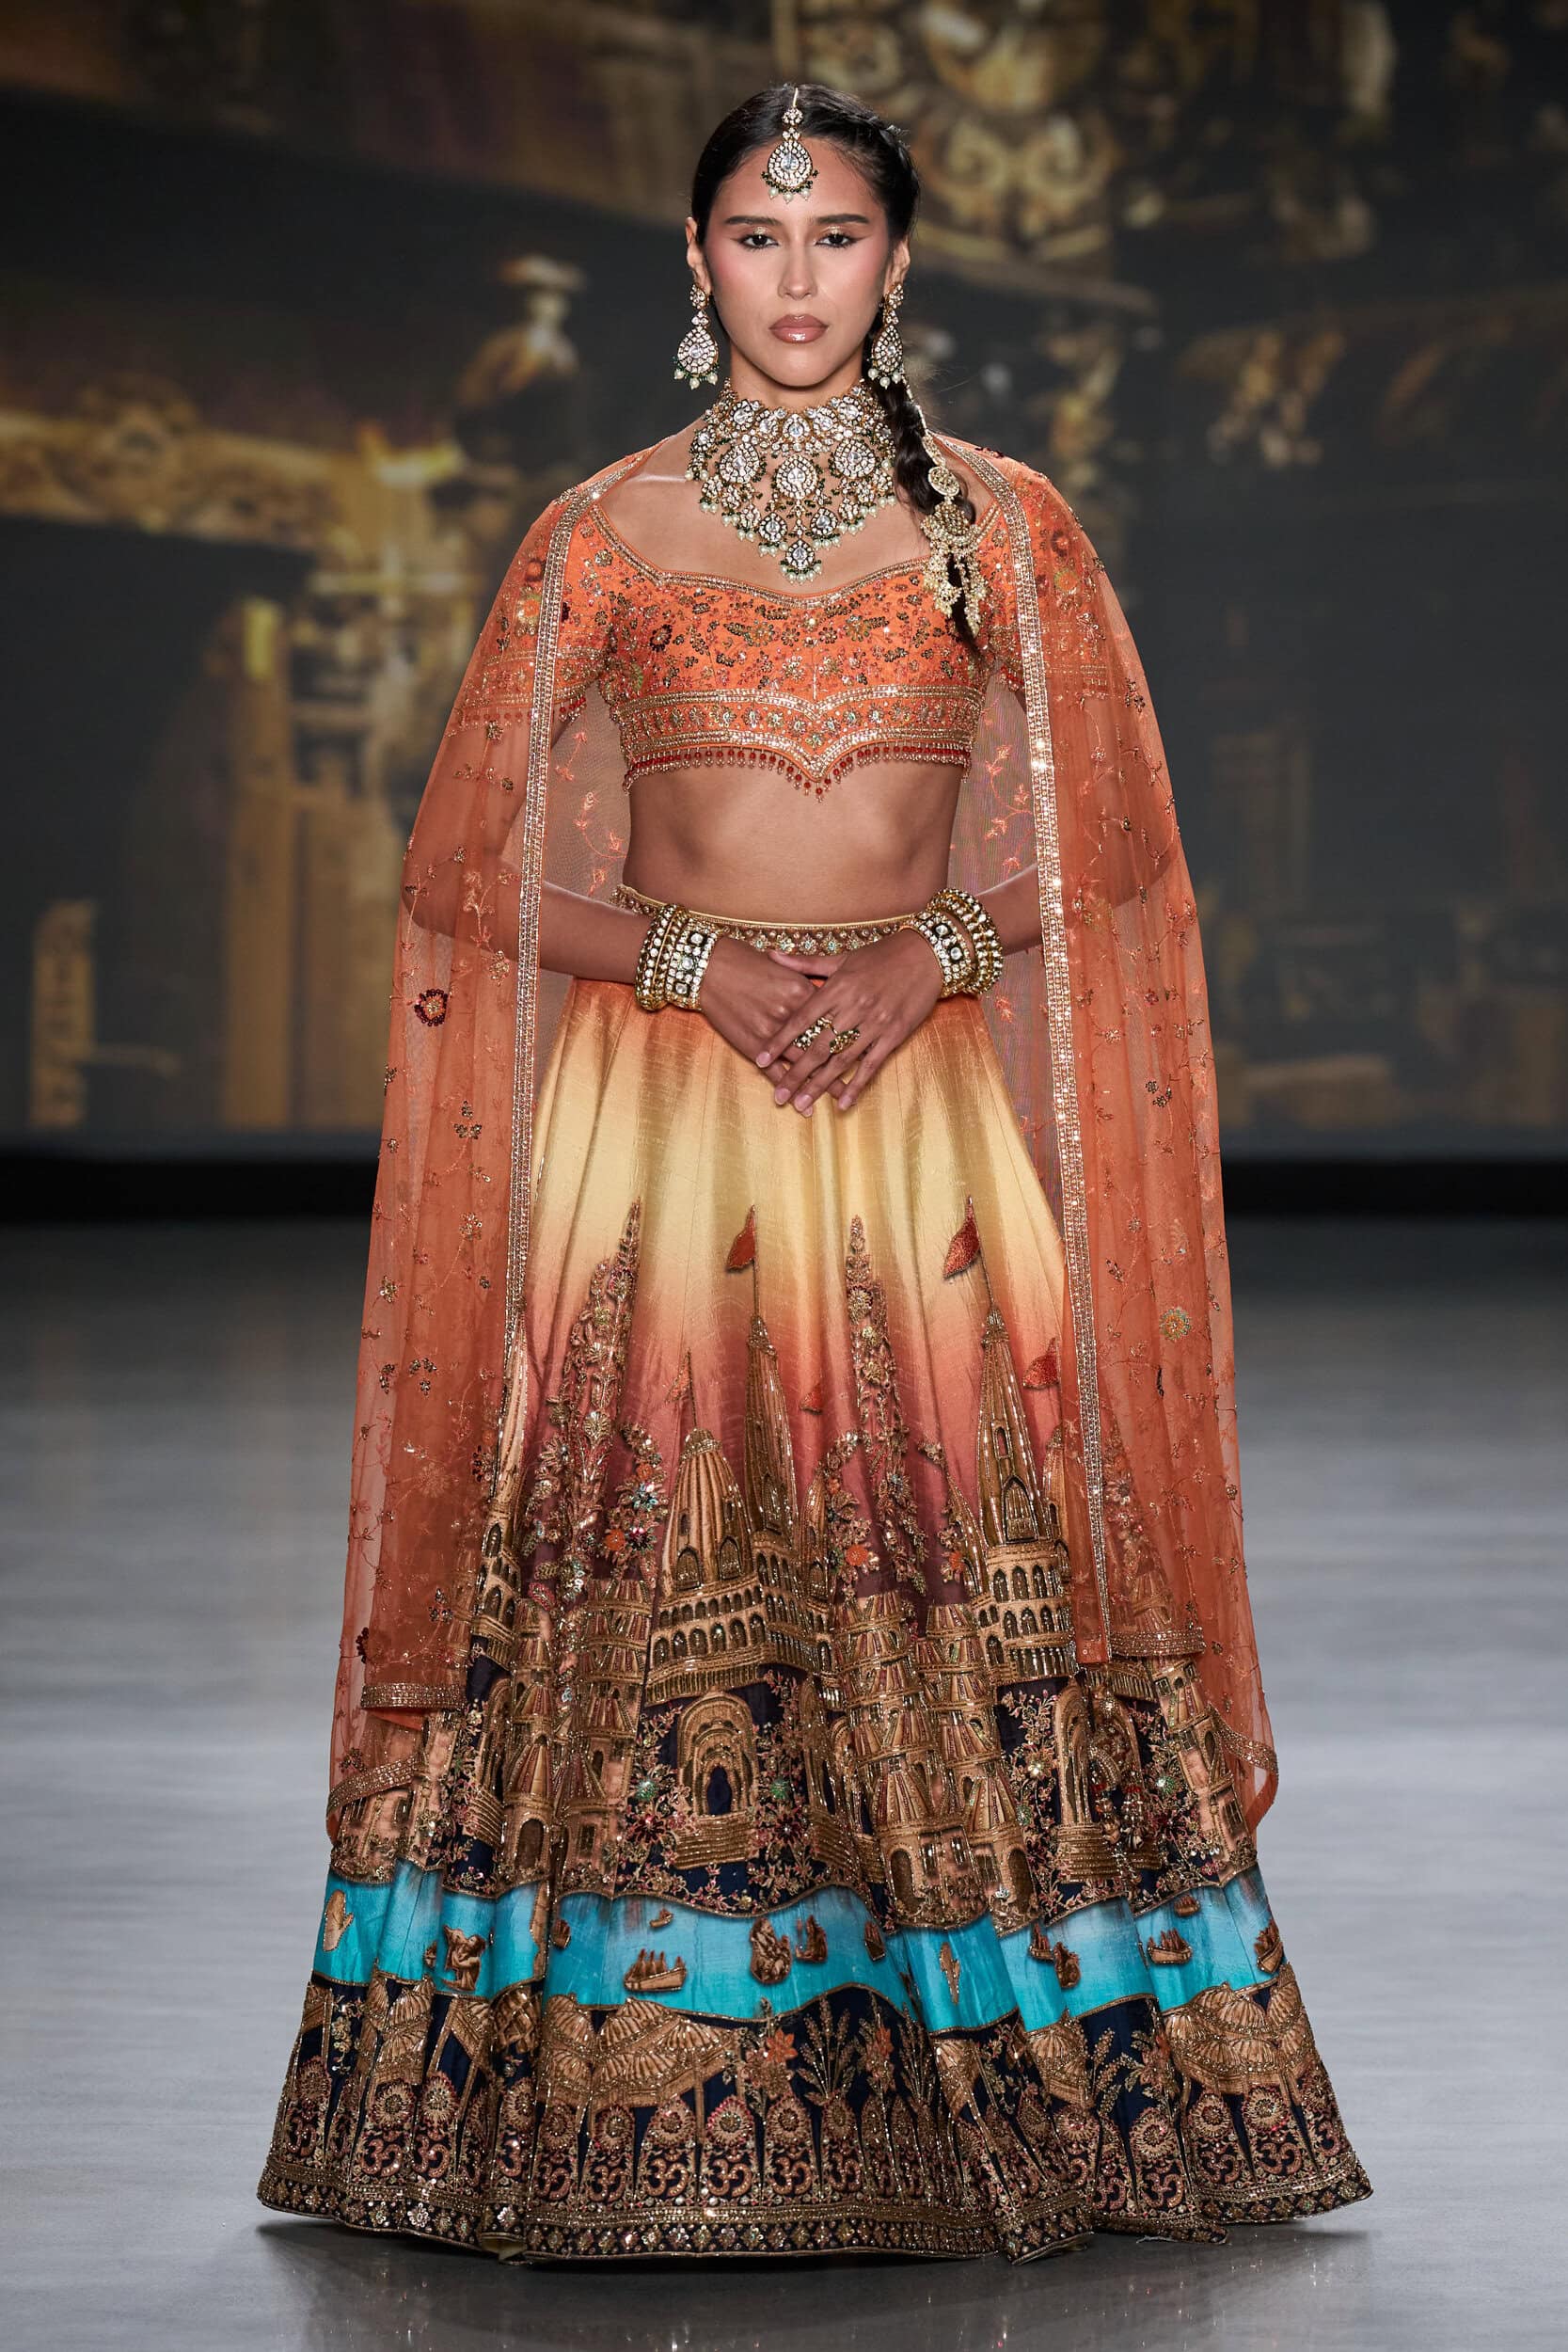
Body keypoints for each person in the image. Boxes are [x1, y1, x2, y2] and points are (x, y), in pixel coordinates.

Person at [258, 83, 1370, 2265]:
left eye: (836, 235)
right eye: (756, 237)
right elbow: (463, 868)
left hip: (918, 1126)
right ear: (696, 262)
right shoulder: (600, 532)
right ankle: (584, 2090)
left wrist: (922, 954)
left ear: (898, 261)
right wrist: (700, 960)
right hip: (660, 1132)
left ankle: (1036, 2069)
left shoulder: (1004, 529)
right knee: (638, 1554)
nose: (796, 276)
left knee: (958, 1562)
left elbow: (1116, 848)